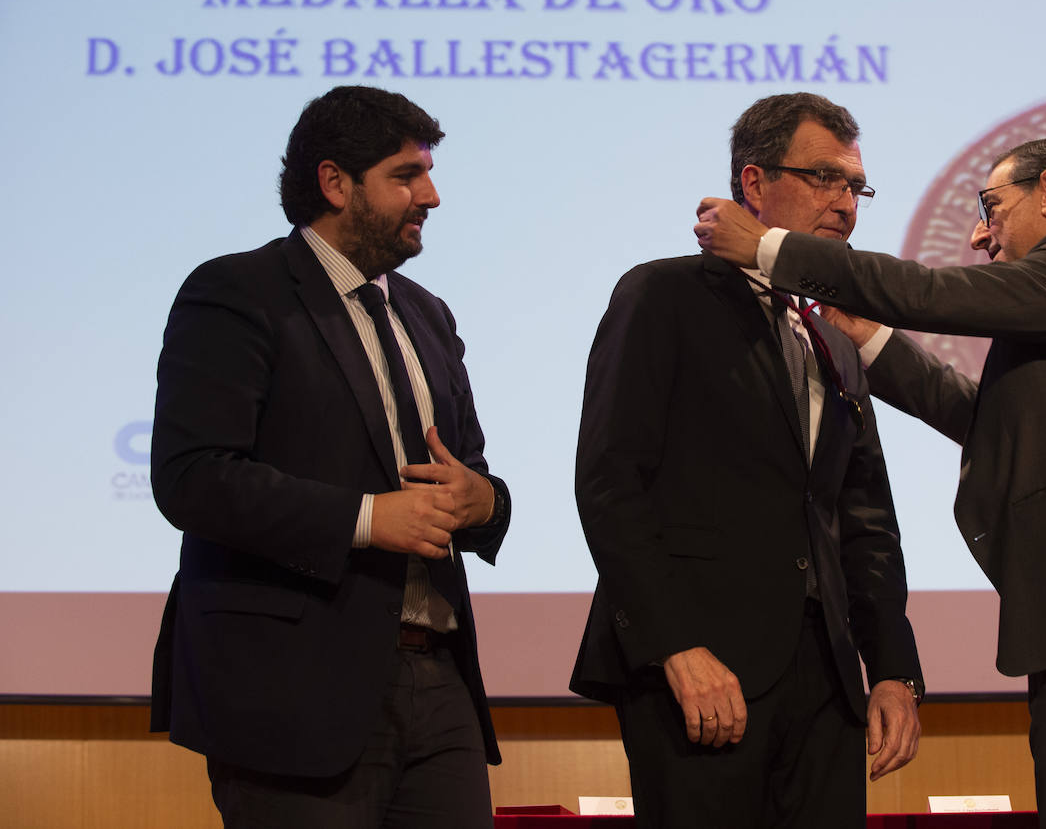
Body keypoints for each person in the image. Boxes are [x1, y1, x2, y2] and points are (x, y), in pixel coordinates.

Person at [695, 137, 1046, 828]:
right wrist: (872, 343)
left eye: (991, 207)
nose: (980, 233)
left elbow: (934, 292)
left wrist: (770, 247)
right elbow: (988, 420)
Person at [150, 85, 510, 829]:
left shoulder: (428, 314)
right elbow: (193, 476)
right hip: (294, 687)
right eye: (406, 175)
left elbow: (469, 466)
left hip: (439, 679)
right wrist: (369, 518)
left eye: (429, 174)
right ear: (335, 182)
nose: (432, 195)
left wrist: (485, 501)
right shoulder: (238, 292)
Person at [571, 92, 923, 829]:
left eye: (856, 186)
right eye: (825, 178)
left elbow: (865, 516)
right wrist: (675, 645)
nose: (846, 204)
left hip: (825, 680)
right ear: (754, 183)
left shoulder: (833, 333)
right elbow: (610, 484)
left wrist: (891, 666)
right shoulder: (661, 295)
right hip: (702, 670)